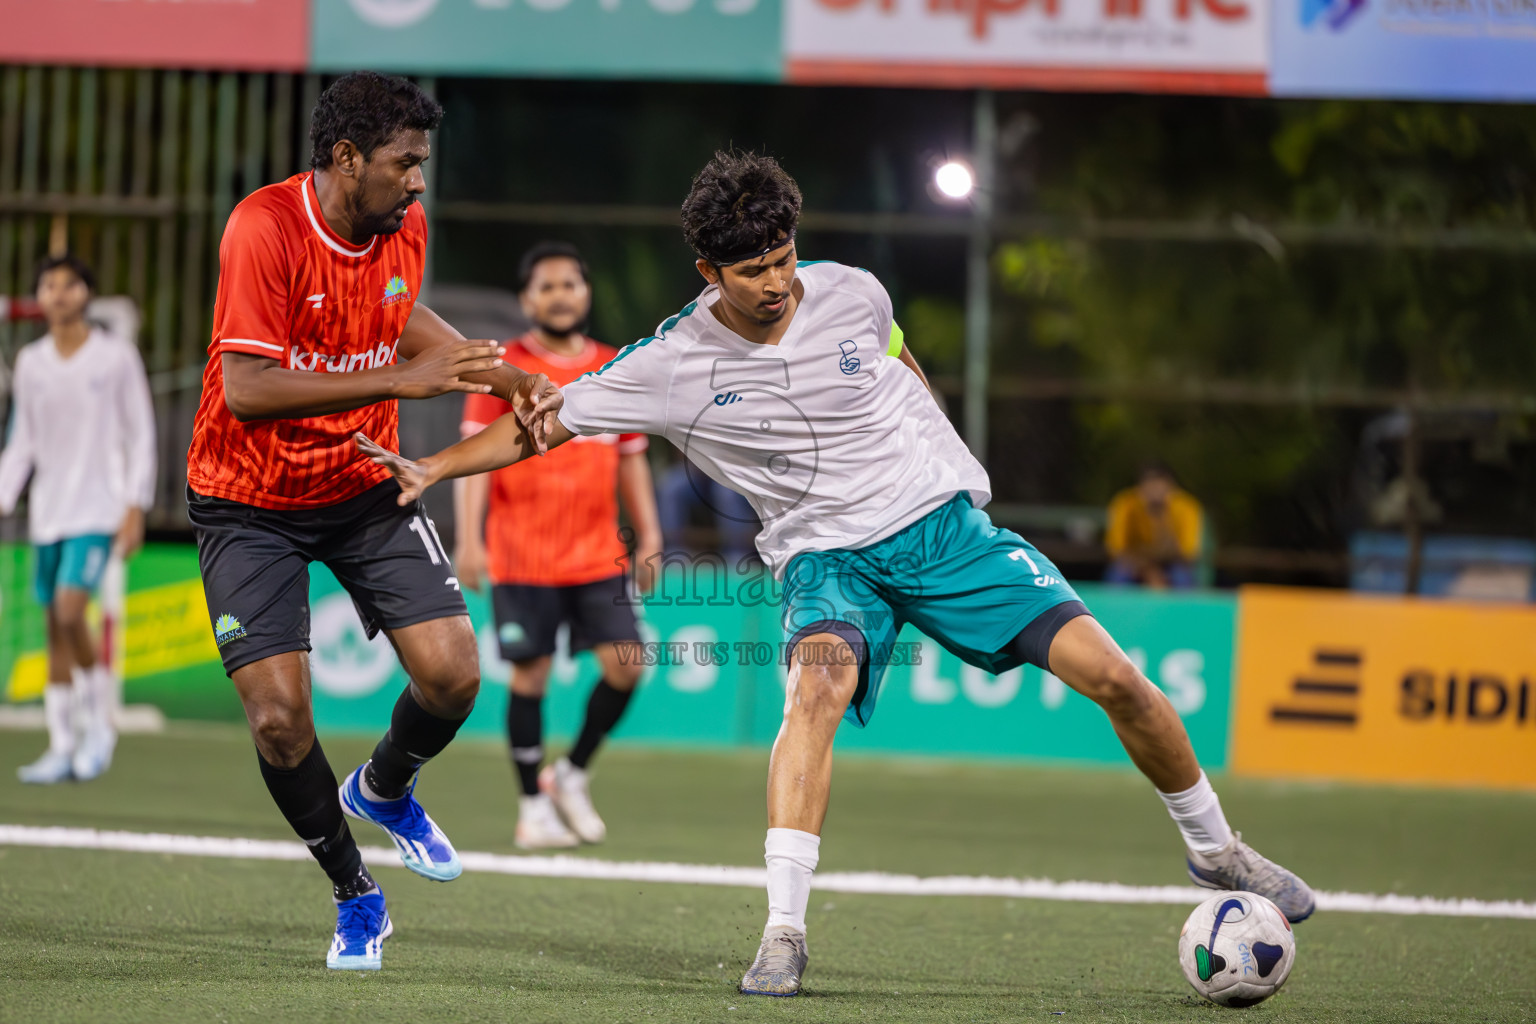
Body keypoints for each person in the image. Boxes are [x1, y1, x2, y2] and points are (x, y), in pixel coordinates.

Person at [356, 151, 1315, 997]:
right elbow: (543, 426)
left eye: (782, 258)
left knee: (1118, 681)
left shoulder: (853, 290)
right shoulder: (672, 362)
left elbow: (901, 368)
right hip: (825, 556)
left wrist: (948, 464)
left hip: (944, 533)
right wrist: (438, 469)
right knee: (812, 693)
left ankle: (1215, 849)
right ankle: (783, 933)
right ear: (709, 271)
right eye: (751, 269)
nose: (776, 283)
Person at [184, 72, 549, 972]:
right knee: (277, 719)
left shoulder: (400, 225)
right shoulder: (262, 227)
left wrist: (503, 378)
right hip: (246, 502)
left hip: (360, 484)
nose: (418, 181)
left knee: (456, 677)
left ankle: (384, 787)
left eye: (422, 162)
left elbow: (395, 311)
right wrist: (401, 381)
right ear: (346, 159)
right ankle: (355, 892)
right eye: (404, 163)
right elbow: (248, 387)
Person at [453, 241, 663, 850]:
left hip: (597, 555)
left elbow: (631, 461)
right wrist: (469, 541)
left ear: (586, 292)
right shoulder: (503, 369)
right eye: (545, 286)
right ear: (527, 300)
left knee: (627, 667)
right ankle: (531, 808)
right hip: (522, 555)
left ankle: (570, 773)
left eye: (569, 283)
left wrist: (648, 534)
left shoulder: (614, 365)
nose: (559, 295)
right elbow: (477, 463)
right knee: (531, 676)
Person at [0, 254, 156, 784]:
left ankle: (99, 729)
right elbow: (21, 443)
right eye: (48, 285)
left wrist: (136, 504)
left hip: (99, 508)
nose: (58, 293)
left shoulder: (115, 358)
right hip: (49, 511)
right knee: (53, 626)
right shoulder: (31, 363)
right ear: (39, 297)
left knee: (71, 612)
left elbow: (141, 433)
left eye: (69, 284)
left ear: (86, 294)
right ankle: (61, 745)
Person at [1105, 462, 1205, 589]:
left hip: (1171, 563)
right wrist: (1149, 571)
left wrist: (1161, 518)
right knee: (1118, 574)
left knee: (1181, 577)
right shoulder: (1125, 503)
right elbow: (1116, 549)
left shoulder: (1187, 507)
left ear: (1171, 486)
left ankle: (1187, 609)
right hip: (1136, 562)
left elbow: (1188, 553)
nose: (1154, 491)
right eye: (1149, 485)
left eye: (1159, 485)